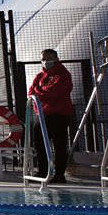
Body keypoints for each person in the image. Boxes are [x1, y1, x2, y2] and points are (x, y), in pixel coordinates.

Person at [28, 47, 73, 183]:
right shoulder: (40, 76)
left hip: (58, 113)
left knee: (59, 144)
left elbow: (54, 91)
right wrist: (39, 93)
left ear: (56, 59)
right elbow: (31, 92)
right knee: (39, 143)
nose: (45, 62)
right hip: (41, 113)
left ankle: (59, 174)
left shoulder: (62, 74)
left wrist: (38, 92)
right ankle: (43, 171)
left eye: (48, 59)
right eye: (43, 59)